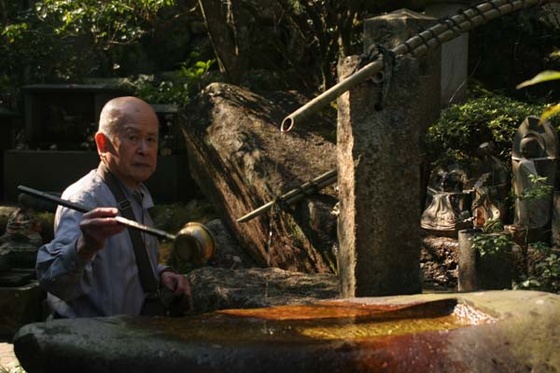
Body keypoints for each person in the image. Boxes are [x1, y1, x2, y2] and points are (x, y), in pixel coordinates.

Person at [36, 96, 191, 318]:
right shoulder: (85, 200)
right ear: (103, 143)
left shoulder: (137, 193)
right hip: (92, 343)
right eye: (133, 137)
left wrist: (162, 273)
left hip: (132, 339)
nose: (144, 149)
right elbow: (56, 282)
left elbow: (124, 264)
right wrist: (84, 246)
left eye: (151, 139)